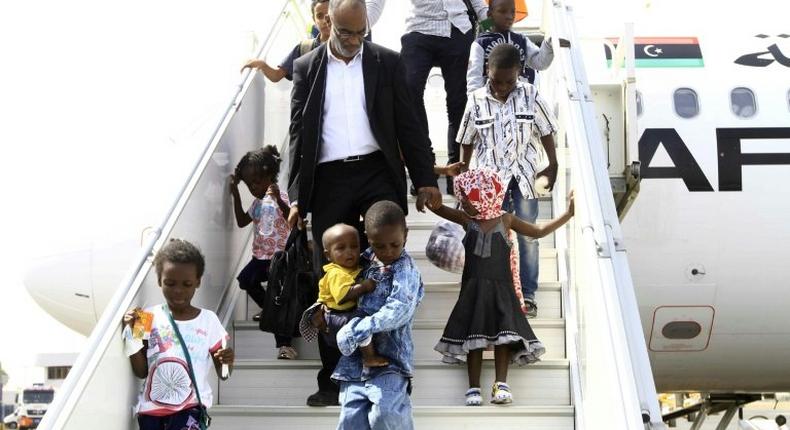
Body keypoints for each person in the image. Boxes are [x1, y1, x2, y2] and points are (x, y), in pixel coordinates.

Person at [287, 0, 441, 406]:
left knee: (386, 267)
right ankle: (333, 379)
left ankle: (390, 367)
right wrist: (296, 197)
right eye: (346, 33)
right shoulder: (306, 68)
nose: (354, 41)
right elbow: (298, 135)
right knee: (332, 277)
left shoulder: (387, 63)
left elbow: (410, 122)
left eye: (361, 33)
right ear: (328, 24)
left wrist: (425, 178)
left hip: (377, 171)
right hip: (329, 178)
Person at [432, 169, 573, 405]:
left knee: (504, 338)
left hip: (502, 290)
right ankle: (473, 388)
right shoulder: (467, 220)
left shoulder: (506, 219)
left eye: (466, 197)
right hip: (473, 291)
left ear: (481, 196)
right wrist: (428, 189)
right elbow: (438, 208)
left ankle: (501, 384)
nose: (462, 201)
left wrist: (568, 214)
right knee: (473, 339)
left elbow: (537, 232)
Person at [458, 43, 558, 318]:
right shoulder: (476, 99)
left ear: (519, 72)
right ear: (487, 70)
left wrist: (553, 164)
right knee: (490, 237)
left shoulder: (531, 94)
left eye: (509, 81)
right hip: (490, 183)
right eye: (496, 80)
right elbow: (466, 140)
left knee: (527, 237)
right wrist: (464, 180)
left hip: (525, 176)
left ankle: (527, 293)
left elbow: (547, 131)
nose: (502, 87)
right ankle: (491, 292)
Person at [123, 239, 235, 429]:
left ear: (197, 282)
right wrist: (130, 332)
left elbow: (224, 374)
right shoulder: (145, 317)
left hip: (189, 410)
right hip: (150, 413)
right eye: (170, 283)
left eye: (187, 284)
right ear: (159, 280)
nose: (178, 291)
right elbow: (141, 371)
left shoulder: (209, 320)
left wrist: (227, 362)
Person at [333, 200, 423, 429]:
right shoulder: (359, 263)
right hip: (354, 362)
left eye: (395, 244)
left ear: (406, 234)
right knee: (350, 420)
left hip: (390, 360)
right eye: (379, 246)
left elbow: (399, 309)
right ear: (368, 238)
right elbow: (335, 291)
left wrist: (359, 328)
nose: (388, 252)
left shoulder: (406, 270)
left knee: (385, 414)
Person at [400, 0, 488, 194]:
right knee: (408, 90)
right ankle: (424, 168)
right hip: (419, 28)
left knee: (459, 103)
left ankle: (457, 173)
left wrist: (494, 31)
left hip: (457, 28)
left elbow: (479, 4)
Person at [229, 146, 296, 359]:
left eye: (258, 181)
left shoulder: (282, 197)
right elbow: (241, 221)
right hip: (260, 258)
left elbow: (292, 220)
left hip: (280, 259)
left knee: (278, 299)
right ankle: (268, 308)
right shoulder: (257, 204)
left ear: (271, 175)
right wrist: (235, 193)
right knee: (245, 280)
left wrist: (278, 200)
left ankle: (285, 345)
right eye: (249, 185)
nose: (254, 187)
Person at [310, 223, 389, 368]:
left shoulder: (352, 268)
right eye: (341, 248)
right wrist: (365, 286)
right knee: (361, 324)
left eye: (354, 246)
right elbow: (343, 296)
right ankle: (369, 357)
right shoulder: (336, 273)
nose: (349, 252)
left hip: (343, 316)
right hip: (337, 318)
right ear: (328, 255)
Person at [466, 0, 559, 93]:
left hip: (520, 102)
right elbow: (474, 79)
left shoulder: (521, 40)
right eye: (502, 11)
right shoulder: (480, 44)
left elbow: (540, 63)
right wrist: (475, 102)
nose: (509, 16)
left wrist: (549, 44)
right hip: (491, 102)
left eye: (513, 11)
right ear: (489, 14)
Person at [242, 0, 331, 82]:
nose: (324, 20)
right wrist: (262, 64)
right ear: (314, 20)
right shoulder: (304, 48)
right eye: (319, 16)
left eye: (329, 15)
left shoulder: (344, 46)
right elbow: (276, 76)